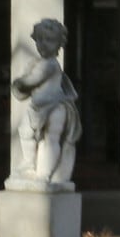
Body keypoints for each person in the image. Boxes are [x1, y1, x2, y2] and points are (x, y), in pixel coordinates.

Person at [11, 18, 81, 184]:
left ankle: (45, 173)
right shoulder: (38, 63)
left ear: (59, 44)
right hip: (37, 108)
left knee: (50, 139)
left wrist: (20, 82)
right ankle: (29, 162)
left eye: (49, 40)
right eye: (40, 39)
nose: (43, 44)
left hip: (55, 106)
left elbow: (33, 80)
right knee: (25, 131)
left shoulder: (50, 65)